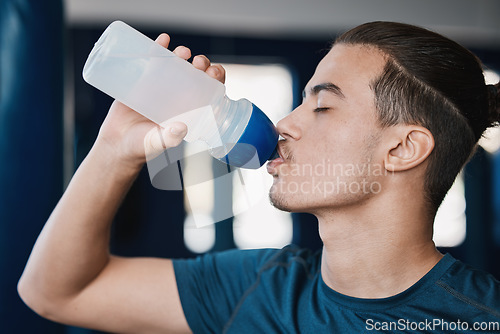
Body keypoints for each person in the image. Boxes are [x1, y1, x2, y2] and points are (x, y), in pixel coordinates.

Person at [18, 21, 500, 333]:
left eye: (324, 105)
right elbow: (56, 293)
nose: (286, 123)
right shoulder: (258, 283)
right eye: (301, 100)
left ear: (402, 148)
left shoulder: (479, 320)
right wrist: (115, 150)